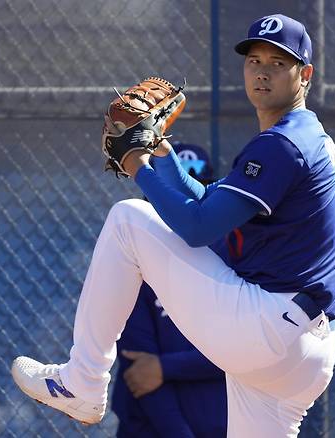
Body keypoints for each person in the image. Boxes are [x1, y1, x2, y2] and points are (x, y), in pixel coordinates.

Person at [12, 13, 335, 437]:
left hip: (269, 328)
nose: (262, 72)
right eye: (254, 60)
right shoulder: (307, 136)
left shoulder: (283, 144)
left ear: (305, 74)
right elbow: (210, 199)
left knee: (128, 219)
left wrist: (134, 164)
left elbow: (197, 228)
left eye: (277, 63)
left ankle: (83, 382)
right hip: (307, 352)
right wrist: (158, 152)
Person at [112, 144, 227, 438]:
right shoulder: (134, 263)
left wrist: (167, 366)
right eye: (168, 200)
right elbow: (140, 370)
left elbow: (250, 353)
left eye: (189, 200)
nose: (178, 212)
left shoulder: (234, 263)